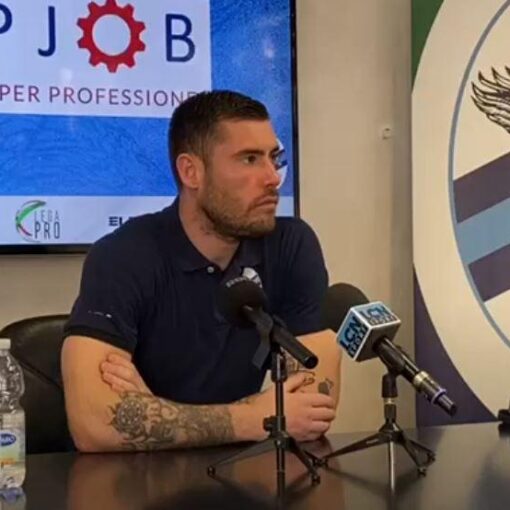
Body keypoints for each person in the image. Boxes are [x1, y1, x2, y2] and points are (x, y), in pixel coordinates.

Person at [61, 90, 341, 452]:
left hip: (238, 473)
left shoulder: (291, 244)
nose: (273, 177)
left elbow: (312, 410)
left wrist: (154, 412)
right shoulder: (123, 255)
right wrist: (252, 418)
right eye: (249, 159)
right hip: (138, 479)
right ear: (191, 172)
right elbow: (93, 424)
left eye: (273, 157)